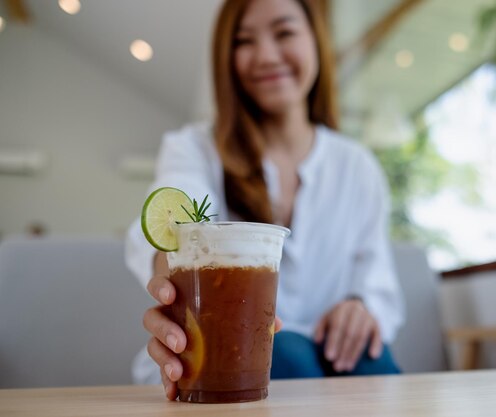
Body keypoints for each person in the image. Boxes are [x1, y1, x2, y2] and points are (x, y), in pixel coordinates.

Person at [125, 0, 404, 400]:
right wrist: (173, 281)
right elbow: (175, 215)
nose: (266, 56)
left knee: (374, 359)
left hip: (333, 356)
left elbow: (377, 278)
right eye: (244, 41)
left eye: (285, 33)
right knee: (283, 350)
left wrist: (360, 305)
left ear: (316, 41)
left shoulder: (356, 166)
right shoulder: (195, 149)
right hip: (231, 349)